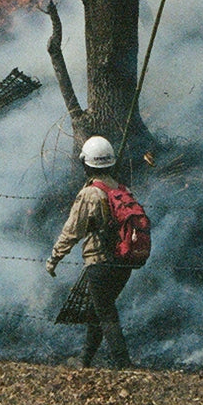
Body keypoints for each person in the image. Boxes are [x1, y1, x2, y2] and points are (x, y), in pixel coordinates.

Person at [45, 135, 133, 368]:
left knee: (105, 313)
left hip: (100, 262)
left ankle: (123, 365)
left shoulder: (90, 194)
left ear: (86, 163)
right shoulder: (121, 189)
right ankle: (84, 359)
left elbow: (72, 230)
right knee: (98, 310)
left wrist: (54, 258)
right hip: (123, 263)